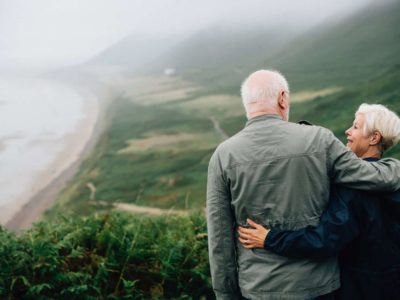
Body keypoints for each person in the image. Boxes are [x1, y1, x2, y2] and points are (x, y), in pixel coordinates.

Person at [206, 70, 400, 300]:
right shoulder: (319, 139)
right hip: (321, 286)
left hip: (258, 288)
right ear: (282, 98)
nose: (349, 131)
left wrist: (226, 295)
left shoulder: (222, 156)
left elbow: (219, 240)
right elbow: (372, 176)